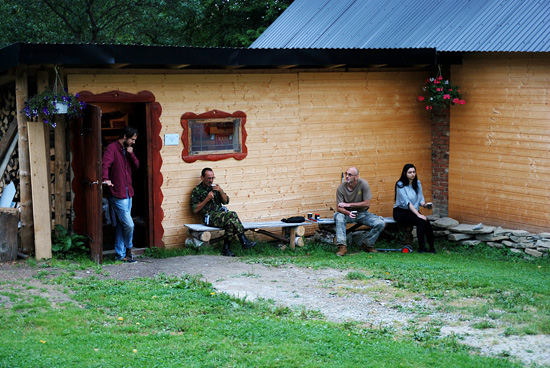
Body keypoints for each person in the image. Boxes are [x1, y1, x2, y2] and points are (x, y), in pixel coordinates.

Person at [190, 168, 256, 257]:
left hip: (220, 215)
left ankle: (226, 249)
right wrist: (207, 199)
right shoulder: (197, 190)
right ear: (202, 178)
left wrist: (221, 191)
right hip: (209, 217)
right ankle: (243, 240)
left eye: (212, 178)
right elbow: (195, 209)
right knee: (232, 215)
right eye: (208, 178)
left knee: (230, 223)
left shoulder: (215, 188)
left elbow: (226, 201)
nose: (211, 180)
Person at [102, 126, 140, 263]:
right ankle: (129, 249)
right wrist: (106, 179)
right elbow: (105, 164)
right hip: (117, 192)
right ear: (125, 136)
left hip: (129, 192)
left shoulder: (128, 150)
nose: (133, 143)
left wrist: (131, 154)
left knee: (121, 224)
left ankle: (120, 254)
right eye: (132, 139)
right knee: (129, 224)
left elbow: (136, 166)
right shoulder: (112, 148)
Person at [334, 167, 385, 256]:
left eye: (350, 175)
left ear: (356, 177)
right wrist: (348, 212)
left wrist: (349, 204)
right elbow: (339, 208)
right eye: (346, 174)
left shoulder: (363, 184)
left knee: (380, 223)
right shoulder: (341, 188)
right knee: (339, 216)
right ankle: (342, 246)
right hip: (346, 213)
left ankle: (367, 244)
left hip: (362, 213)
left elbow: (367, 203)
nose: (346, 176)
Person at [393, 163, 435, 253]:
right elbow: (407, 203)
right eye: (410, 172)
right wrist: (418, 215)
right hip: (401, 211)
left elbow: (421, 199)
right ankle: (422, 248)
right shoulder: (400, 185)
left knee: (427, 222)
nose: (412, 174)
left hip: (412, 211)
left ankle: (432, 248)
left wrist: (425, 205)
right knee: (420, 221)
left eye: (414, 172)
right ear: (405, 173)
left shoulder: (417, 183)